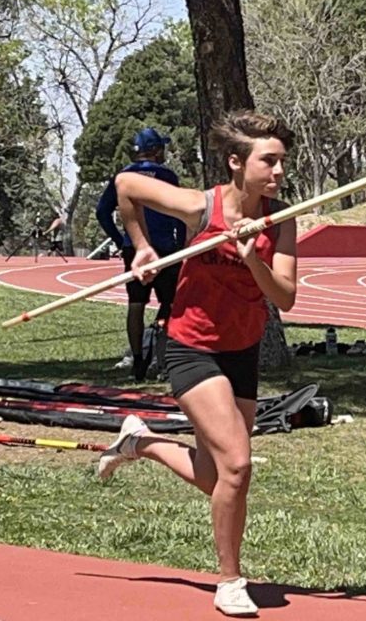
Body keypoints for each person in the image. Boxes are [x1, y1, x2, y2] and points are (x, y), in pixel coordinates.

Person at [97, 111, 297, 616]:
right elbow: (125, 184)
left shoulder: (283, 218)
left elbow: (287, 298)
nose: (278, 172)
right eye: (268, 161)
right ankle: (230, 580)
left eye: (282, 162)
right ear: (236, 162)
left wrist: (253, 256)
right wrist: (140, 247)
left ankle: (139, 442)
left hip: (241, 350)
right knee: (238, 465)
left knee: (218, 476)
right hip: (190, 345)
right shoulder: (198, 206)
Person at [96, 128, 187, 382]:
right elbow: (180, 211)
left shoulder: (123, 177)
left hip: (134, 249)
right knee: (170, 304)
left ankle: (138, 359)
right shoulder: (167, 175)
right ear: (157, 150)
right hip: (166, 249)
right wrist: (181, 244)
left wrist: (120, 239)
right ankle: (164, 359)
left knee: (136, 304)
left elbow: (102, 212)